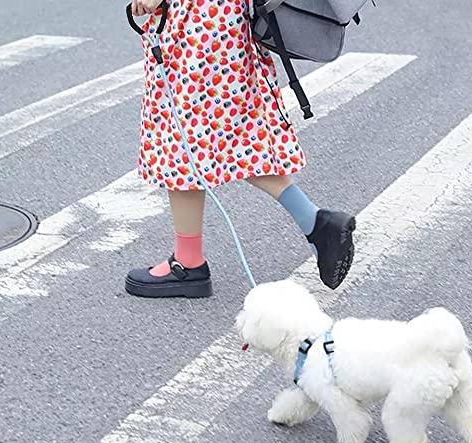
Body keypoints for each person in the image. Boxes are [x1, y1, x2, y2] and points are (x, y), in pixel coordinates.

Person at [125, 0, 356, 298]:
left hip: (200, 21)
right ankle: (316, 223)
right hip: (221, 19)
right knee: (227, 137)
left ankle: (188, 262)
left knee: (182, 132)